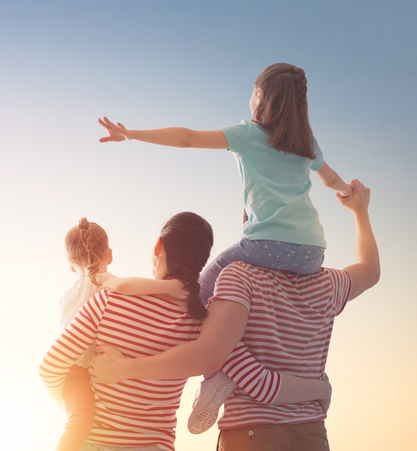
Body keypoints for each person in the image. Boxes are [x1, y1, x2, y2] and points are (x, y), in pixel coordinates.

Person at [90, 180, 380, 451]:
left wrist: (126, 368)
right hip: (309, 435)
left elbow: (211, 352)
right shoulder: (328, 283)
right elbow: (370, 270)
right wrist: (360, 213)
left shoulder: (239, 276)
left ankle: (217, 387)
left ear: (250, 224)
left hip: (249, 435)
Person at [37, 212, 336, 451]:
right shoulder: (203, 324)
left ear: (158, 247)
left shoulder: (109, 301)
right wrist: (316, 388)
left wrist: (77, 411)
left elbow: (51, 367)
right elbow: (252, 377)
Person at [98, 62, 355, 430]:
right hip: (312, 252)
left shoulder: (249, 133)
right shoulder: (305, 144)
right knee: (232, 303)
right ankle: (232, 370)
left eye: (253, 89)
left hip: (266, 245)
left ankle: (215, 377)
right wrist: (349, 194)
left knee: (199, 295)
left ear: (260, 95)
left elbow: (187, 137)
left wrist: (133, 134)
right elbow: (330, 179)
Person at [34, 217, 192, 451]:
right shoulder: (192, 316)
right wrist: (174, 289)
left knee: (76, 422)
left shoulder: (84, 299)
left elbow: (50, 366)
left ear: (69, 263)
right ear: (109, 254)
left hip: (87, 443)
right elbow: (130, 286)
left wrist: (68, 401)